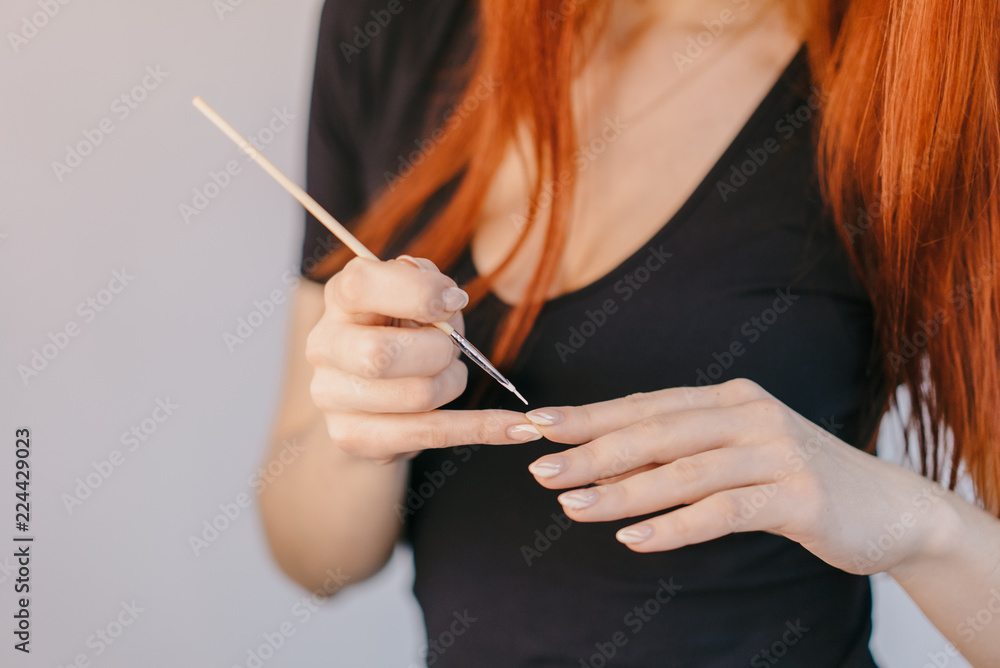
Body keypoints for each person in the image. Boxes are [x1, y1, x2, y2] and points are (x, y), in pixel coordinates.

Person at [260, 0, 1000, 665]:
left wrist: (916, 525)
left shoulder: (930, 84)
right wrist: (360, 433)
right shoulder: (396, 24)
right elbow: (312, 558)